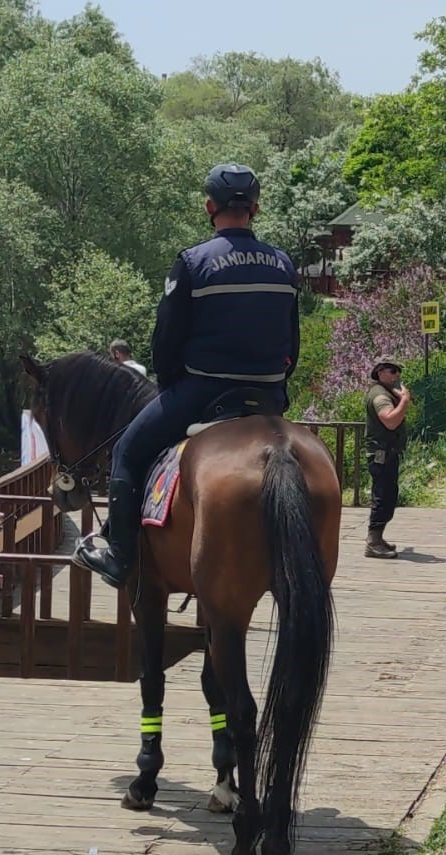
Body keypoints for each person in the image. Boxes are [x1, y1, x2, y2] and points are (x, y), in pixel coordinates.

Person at [73, 164, 299, 588]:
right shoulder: (283, 265)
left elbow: (166, 342)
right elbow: (293, 342)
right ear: (256, 208)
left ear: (210, 207)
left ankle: (119, 555)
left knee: (127, 450)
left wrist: (172, 381)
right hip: (268, 396)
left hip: (202, 392)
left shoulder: (193, 262)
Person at [364, 359, 410, 558]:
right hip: (381, 455)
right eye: (393, 371)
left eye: (398, 371)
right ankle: (373, 542)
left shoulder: (386, 392)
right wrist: (405, 401)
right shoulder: (379, 395)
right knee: (382, 497)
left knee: (389, 495)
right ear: (381, 372)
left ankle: (378, 538)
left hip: (389, 453)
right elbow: (390, 421)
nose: (397, 375)